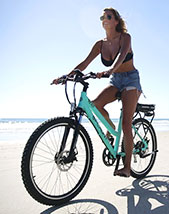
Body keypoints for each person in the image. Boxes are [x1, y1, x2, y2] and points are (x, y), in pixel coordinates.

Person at [53, 7, 142, 177]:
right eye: (102, 17)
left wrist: (109, 71)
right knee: (96, 104)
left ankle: (127, 168)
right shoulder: (100, 44)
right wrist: (65, 76)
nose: (104, 19)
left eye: (108, 16)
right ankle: (110, 127)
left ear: (116, 21)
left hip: (130, 79)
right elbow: (84, 63)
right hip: (116, 80)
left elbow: (122, 56)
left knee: (126, 124)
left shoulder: (125, 37)